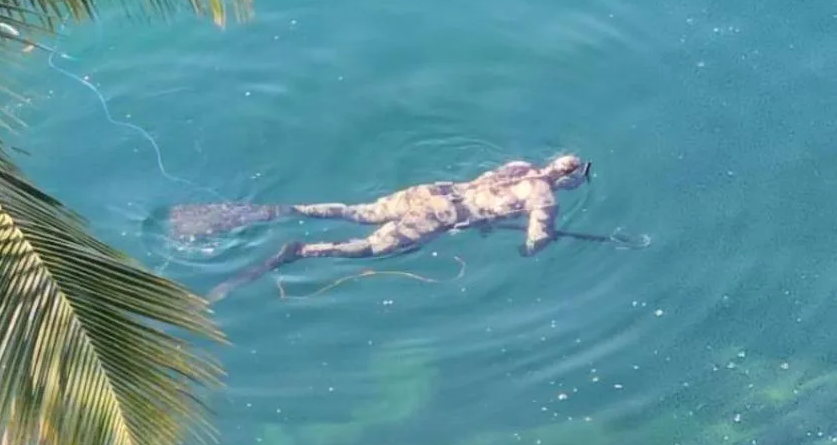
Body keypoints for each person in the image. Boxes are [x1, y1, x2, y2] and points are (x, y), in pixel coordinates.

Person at [188, 154, 591, 300]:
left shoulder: (518, 166)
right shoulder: (544, 198)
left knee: (358, 211)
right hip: (440, 217)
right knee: (371, 248)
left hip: (431, 193)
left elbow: (486, 194)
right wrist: (533, 247)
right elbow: (536, 240)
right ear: (568, 181)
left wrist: (487, 220)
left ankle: (285, 209)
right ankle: (304, 252)